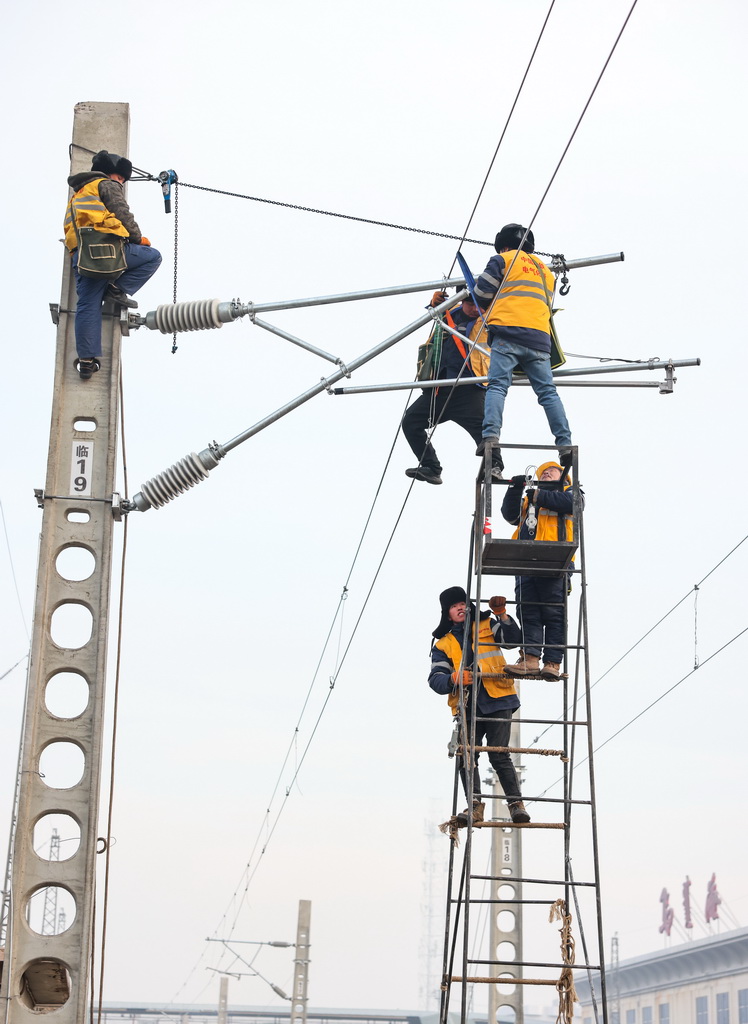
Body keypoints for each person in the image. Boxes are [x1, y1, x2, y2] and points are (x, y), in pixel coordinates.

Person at [473, 223, 572, 477]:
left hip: (507, 334)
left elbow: (481, 294)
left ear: (504, 245)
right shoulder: (545, 271)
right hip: (539, 340)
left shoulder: (502, 259)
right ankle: (564, 444)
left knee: (497, 387)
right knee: (548, 393)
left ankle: (490, 438)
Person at [429, 585, 531, 826]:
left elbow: (513, 641)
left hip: (498, 699)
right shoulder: (442, 645)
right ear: (448, 614)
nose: (460, 608)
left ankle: (516, 805)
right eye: (454, 606)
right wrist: (453, 679)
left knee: (499, 754)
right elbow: (435, 680)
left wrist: (503, 615)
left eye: (463, 603)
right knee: (467, 754)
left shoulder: (486, 624)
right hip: (468, 705)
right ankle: (475, 806)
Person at [64, 150, 162, 379]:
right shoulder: (106, 184)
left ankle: (86, 361)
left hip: (81, 257)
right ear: (114, 174)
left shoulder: (77, 195)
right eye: (121, 179)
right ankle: (115, 289)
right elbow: (122, 213)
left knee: (88, 305)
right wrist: (138, 239)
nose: (122, 183)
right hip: (106, 251)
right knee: (152, 256)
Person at [401, 291, 490, 485]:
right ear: (461, 302)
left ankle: (494, 468)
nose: (476, 309)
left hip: (469, 387)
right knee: (410, 421)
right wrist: (436, 304)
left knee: (486, 434)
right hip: (440, 388)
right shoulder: (449, 313)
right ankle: (431, 467)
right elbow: (436, 310)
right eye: (470, 304)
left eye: (480, 305)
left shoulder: (489, 317)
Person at [501, 462, 577, 680]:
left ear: (564, 476)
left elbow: (574, 504)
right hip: (525, 560)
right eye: (543, 471)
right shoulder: (530, 499)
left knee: (554, 613)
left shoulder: (570, 491)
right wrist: (515, 489)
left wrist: (538, 495)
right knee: (528, 612)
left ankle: (552, 663)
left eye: (552, 470)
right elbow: (510, 515)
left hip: (556, 560)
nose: (546, 472)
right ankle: (530, 660)